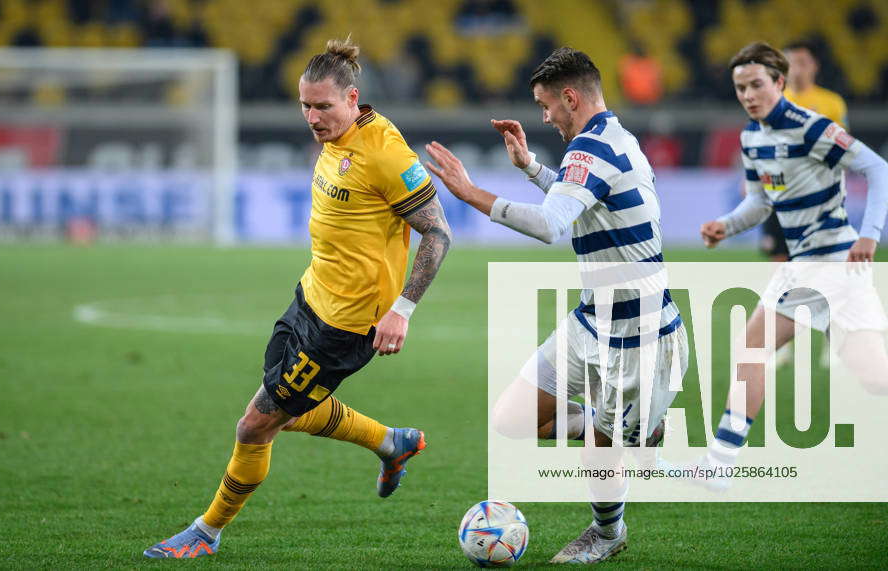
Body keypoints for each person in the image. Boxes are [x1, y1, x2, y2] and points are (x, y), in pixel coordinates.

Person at [143, 38, 452, 558]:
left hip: (346, 326)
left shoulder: (385, 154)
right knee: (283, 406)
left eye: (323, 106)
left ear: (352, 99)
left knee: (255, 424)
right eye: (305, 105)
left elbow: (438, 234)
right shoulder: (337, 137)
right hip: (309, 298)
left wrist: (402, 309)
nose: (312, 116)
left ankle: (207, 532)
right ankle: (390, 443)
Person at [425, 47, 688, 564]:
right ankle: (632, 428)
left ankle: (607, 532)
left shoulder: (590, 149)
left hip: (642, 335)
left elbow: (551, 225)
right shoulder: (615, 140)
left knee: (601, 453)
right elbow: (579, 199)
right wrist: (530, 168)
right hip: (593, 322)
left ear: (571, 97)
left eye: (547, 106)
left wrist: (469, 192)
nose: (544, 117)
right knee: (512, 417)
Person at [697, 41, 888, 488]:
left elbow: (878, 169)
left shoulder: (812, 128)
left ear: (779, 83)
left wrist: (869, 234)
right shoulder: (751, 137)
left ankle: (719, 463)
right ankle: (719, 464)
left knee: (868, 375)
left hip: (835, 263)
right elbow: (759, 203)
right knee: (869, 374)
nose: (748, 94)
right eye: (740, 87)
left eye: (756, 85)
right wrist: (725, 225)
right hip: (806, 265)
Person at [759, 40, 850, 261]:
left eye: (802, 62)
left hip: (820, 193)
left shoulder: (832, 102)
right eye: (790, 62)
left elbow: (843, 147)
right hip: (781, 192)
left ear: (814, 65)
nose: (796, 68)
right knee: (779, 261)